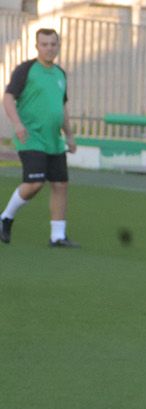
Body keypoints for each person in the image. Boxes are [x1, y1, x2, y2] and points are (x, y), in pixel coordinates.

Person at [1, 28, 77, 249]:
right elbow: (7, 98)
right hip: (31, 137)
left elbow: (61, 106)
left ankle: (57, 236)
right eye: (44, 44)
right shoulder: (26, 70)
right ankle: (5, 217)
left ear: (58, 46)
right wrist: (17, 123)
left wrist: (70, 135)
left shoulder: (60, 74)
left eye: (53, 44)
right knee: (34, 183)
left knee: (60, 184)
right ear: (37, 47)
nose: (49, 48)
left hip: (54, 139)